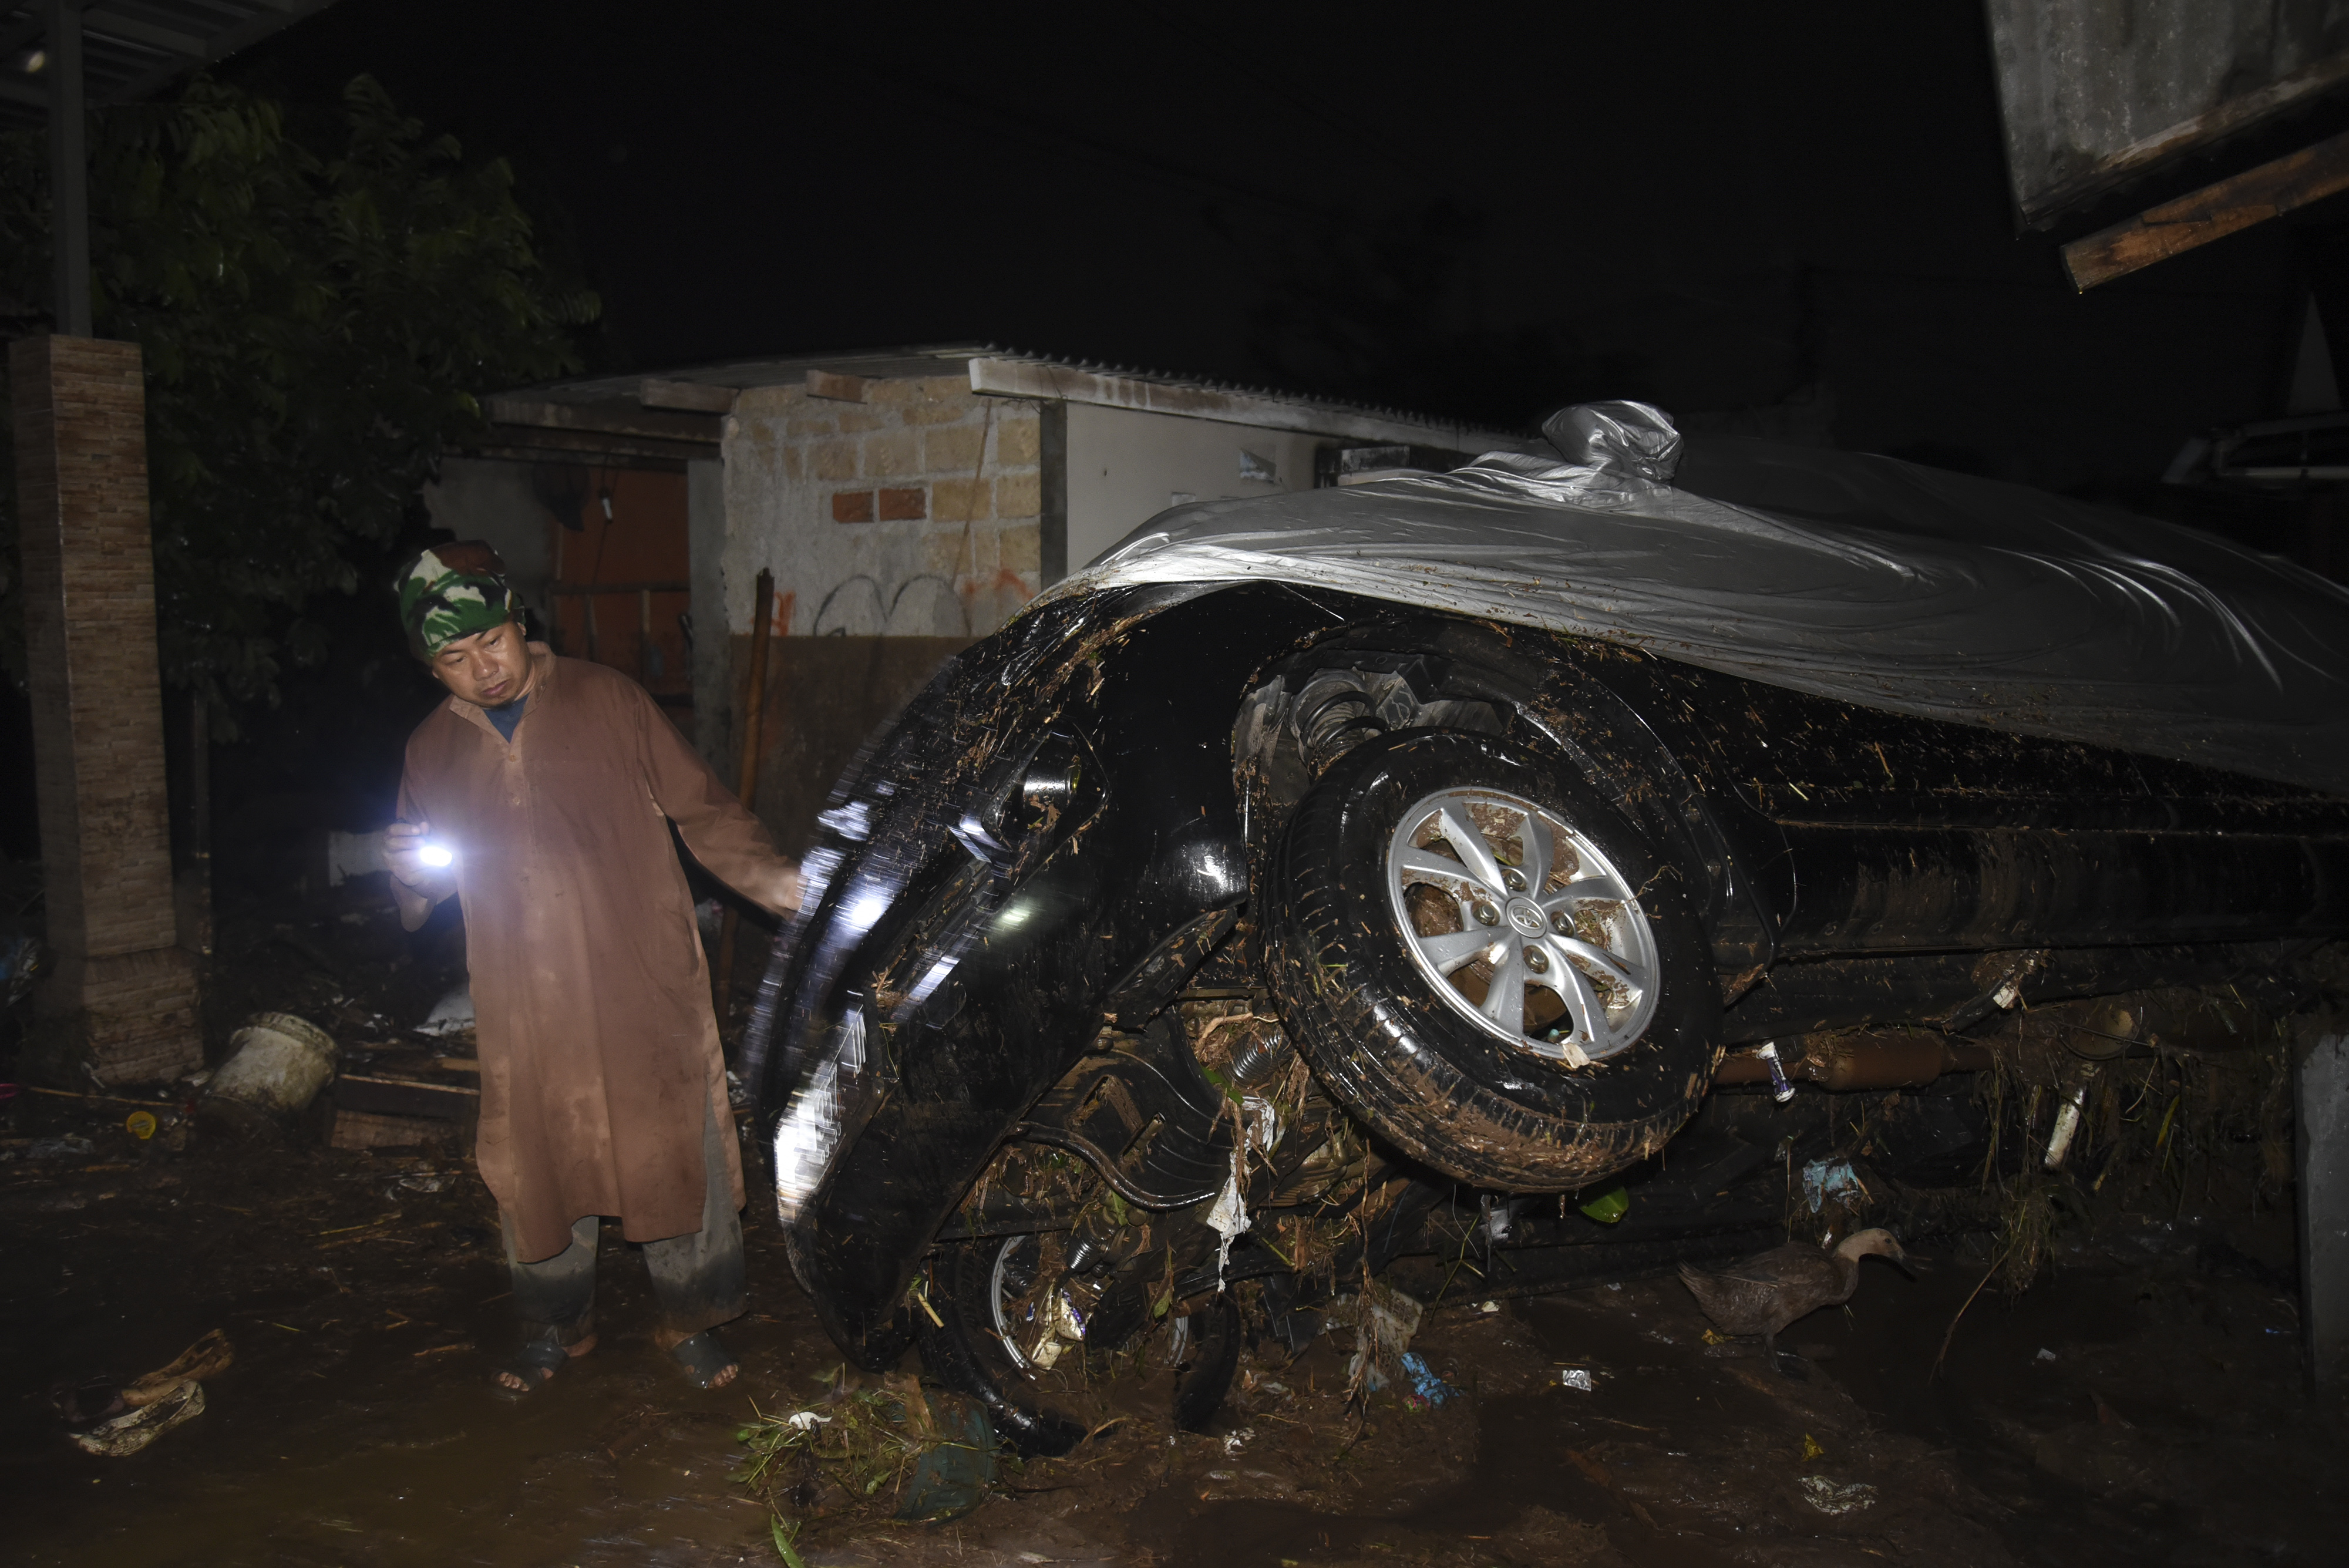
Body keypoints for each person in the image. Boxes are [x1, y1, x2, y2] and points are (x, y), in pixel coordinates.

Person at [381, 541, 799, 1395]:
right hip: (523, 1001)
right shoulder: (430, 751)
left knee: (670, 1150)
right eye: (453, 660)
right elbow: (417, 895)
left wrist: (793, 891)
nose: (482, 669)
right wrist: (400, 864)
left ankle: (692, 1318)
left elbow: (705, 812)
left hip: (636, 979)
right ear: (432, 668)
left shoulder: (608, 699)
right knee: (537, 1160)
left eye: (490, 641)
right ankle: (555, 1323)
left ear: (518, 621)